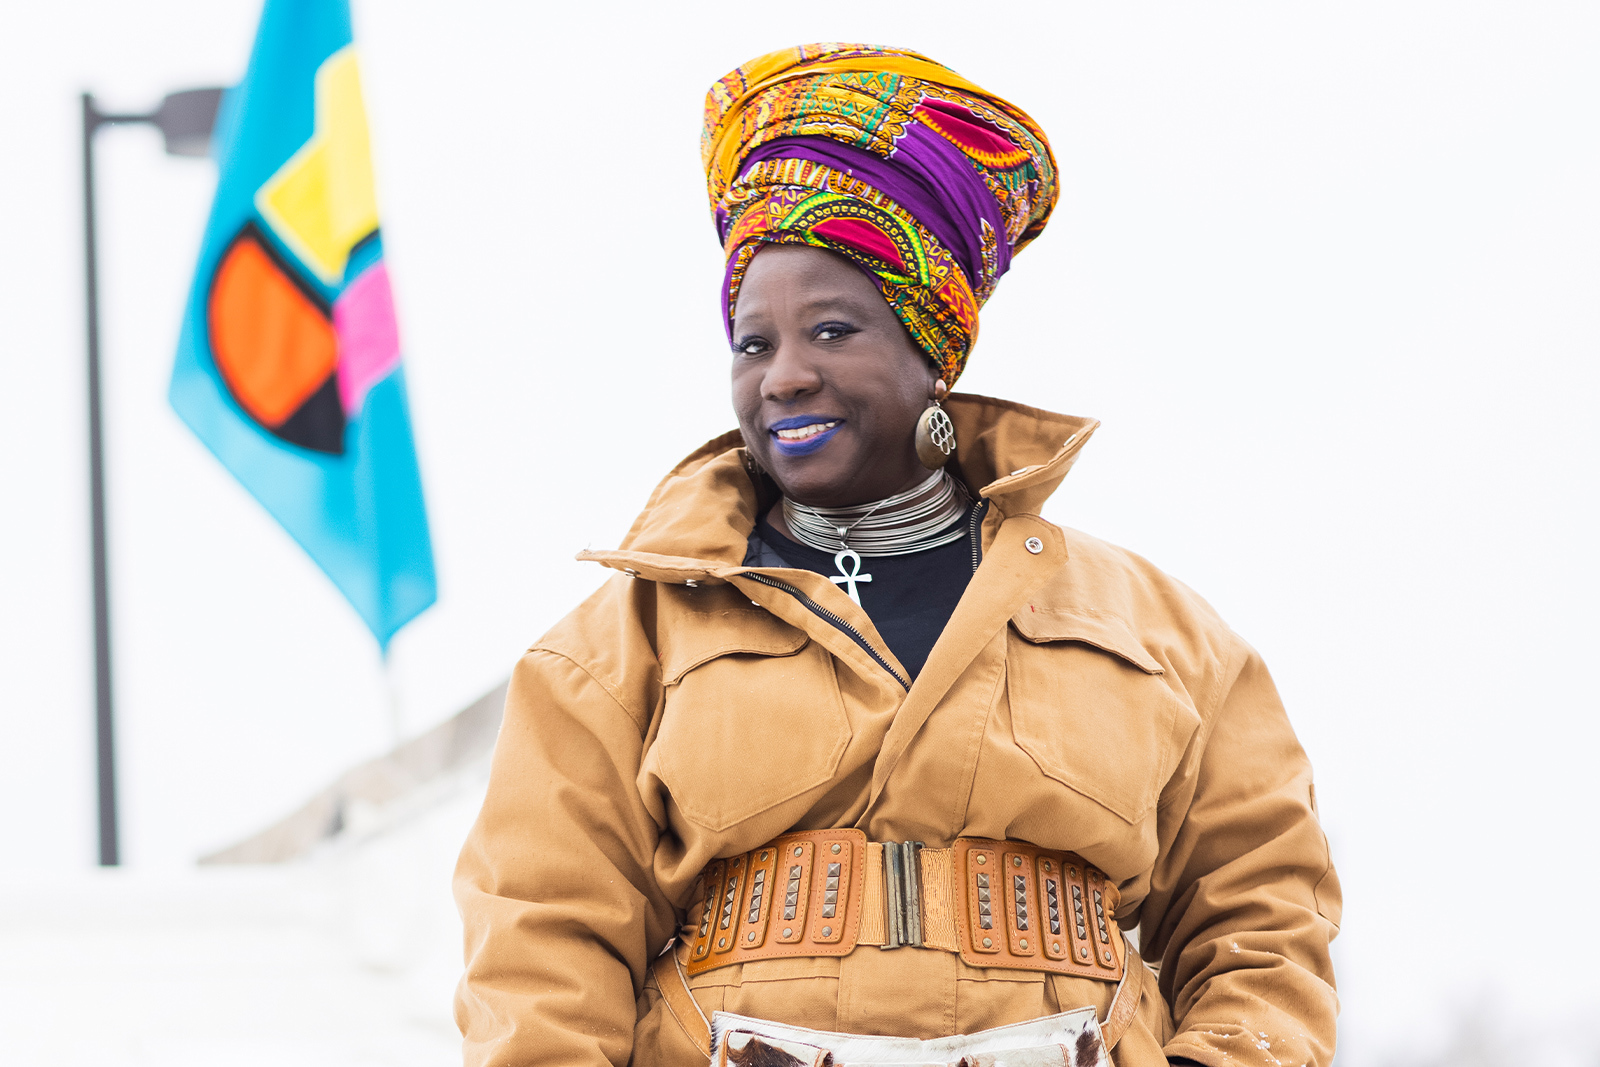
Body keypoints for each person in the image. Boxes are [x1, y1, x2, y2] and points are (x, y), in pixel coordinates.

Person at [454, 43, 1340, 1067]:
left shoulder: (1157, 631)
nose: (783, 376)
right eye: (753, 344)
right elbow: (539, 948)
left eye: (832, 331)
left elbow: (1264, 911)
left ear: (932, 354)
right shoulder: (614, 652)